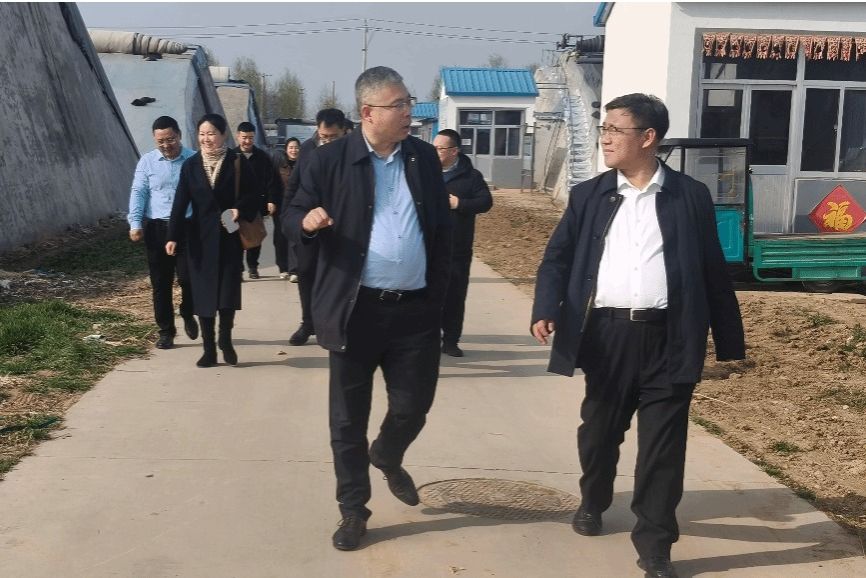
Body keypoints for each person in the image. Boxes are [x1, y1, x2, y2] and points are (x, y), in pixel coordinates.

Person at [531, 93, 745, 578]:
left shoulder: (689, 195)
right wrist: (547, 307)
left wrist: (729, 341)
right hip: (608, 337)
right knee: (599, 434)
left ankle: (655, 546)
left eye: (615, 130)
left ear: (648, 138)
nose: (604, 138)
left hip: (671, 338)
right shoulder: (590, 195)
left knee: (663, 450)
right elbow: (557, 258)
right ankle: (594, 498)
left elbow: (713, 269)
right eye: (603, 128)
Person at [286, 66, 451, 551]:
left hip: (415, 310)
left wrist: (439, 294)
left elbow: (440, 230)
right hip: (355, 310)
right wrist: (308, 222)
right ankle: (354, 509)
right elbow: (292, 212)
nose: (409, 112)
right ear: (368, 113)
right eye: (399, 105)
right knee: (347, 421)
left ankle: (388, 453)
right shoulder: (328, 160)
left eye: (409, 102)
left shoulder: (422, 157)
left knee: (414, 405)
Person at [166, 113, 260, 368]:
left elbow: (254, 194)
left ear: (223, 135)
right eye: (202, 134)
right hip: (199, 237)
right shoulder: (191, 165)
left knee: (227, 291)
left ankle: (225, 340)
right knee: (204, 294)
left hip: (229, 233)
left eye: (211, 134)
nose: (206, 139)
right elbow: (180, 202)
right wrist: (172, 236)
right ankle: (208, 349)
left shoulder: (237, 162)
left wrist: (239, 209)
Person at [127, 115, 198, 350]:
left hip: (186, 228)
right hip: (157, 228)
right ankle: (166, 331)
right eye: (161, 141)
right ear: (154, 139)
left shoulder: (193, 160)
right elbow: (139, 192)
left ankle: (187, 310)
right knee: (160, 282)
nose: (166, 145)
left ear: (179, 135)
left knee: (188, 278)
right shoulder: (147, 162)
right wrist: (135, 223)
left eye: (170, 139)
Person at [281, 108, 347, 346]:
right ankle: (308, 322)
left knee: (340, 276)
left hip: (341, 227)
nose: (327, 141)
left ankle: (336, 324)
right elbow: (295, 184)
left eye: (333, 137)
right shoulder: (308, 149)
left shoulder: (352, 152)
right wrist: (289, 218)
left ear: (344, 131)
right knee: (306, 271)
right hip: (310, 224)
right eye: (323, 136)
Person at [433, 128, 493, 357]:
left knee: (455, 297)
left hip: (457, 249)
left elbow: (485, 202)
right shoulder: (426, 172)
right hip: (428, 248)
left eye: (440, 149)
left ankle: (450, 340)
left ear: (454, 151)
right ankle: (426, 338)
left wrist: (459, 204)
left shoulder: (471, 176)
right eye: (434, 147)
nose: (435, 152)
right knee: (426, 296)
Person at [234, 121, 281, 280]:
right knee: (233, 237)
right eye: (244, 137)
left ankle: (253, 266)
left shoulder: (262, 157)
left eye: (250, 138)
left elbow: (272, 181)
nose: (247, 141)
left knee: (256, 236)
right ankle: (237, 269)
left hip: (255, 205)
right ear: (238, 136)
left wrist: (271, 200)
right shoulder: (231, 156)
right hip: (232, 206)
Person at [274, 137, 301, 281]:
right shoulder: (279, 165)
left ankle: (294, 269)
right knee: (280, 237)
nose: (294, 150)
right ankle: (283, 267)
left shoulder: (304, 164)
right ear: (286, 149)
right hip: (280, 206)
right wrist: (271, 201)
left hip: (297, 206)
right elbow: (272, 183)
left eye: (296, 147)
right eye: (291, 147)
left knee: (294, 237)